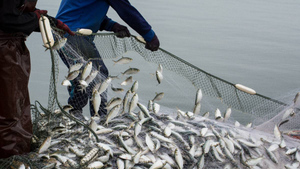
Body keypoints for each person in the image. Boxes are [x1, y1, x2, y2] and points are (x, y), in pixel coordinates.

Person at [55, 0, 160, 118]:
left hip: (68, 32)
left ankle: (80, 113)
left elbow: (85, 10)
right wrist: (149, 35)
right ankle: (97, 117)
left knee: (88, 74)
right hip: (71, 35)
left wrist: (112, 25)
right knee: (96, 74)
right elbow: (126, 11)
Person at [0, 0, 73, 158]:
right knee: (9, 111)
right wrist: (35, 18)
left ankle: (19, 153)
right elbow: (7, 20)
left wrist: (52, 22)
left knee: (18, 106)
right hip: (4, 51)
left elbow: (15, 13)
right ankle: (12, 160)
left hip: (10, 47)